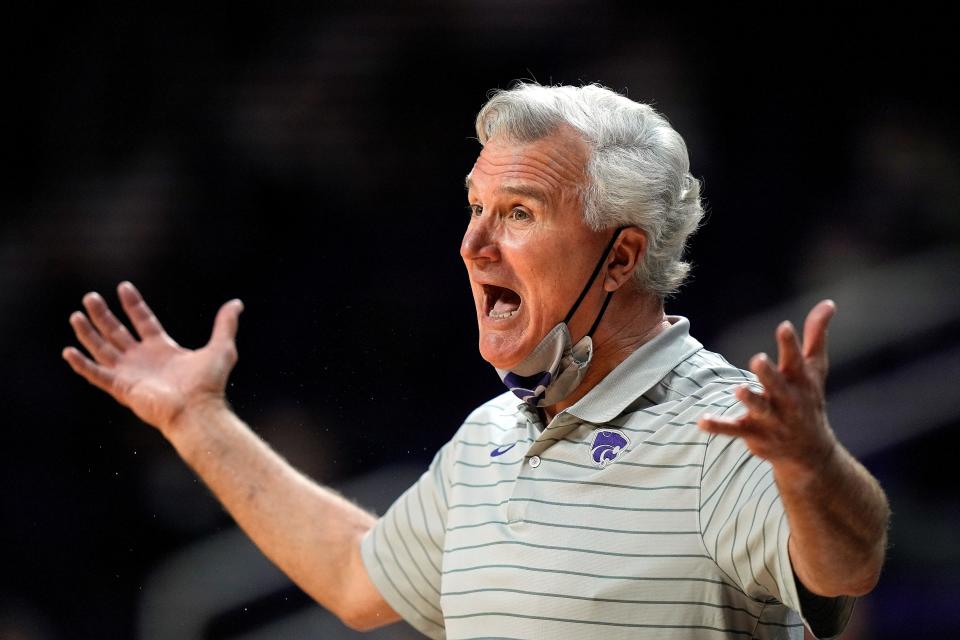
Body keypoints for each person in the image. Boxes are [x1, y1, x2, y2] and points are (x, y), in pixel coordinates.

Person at [63, 83, 889, 639]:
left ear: (618, 256)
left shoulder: (724, 425)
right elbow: (355, 576)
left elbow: (847, 571)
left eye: (518, 213)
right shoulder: (491, 433)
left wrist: (813, 470)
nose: (472, 246)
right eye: (475, 208)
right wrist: (195, 418)